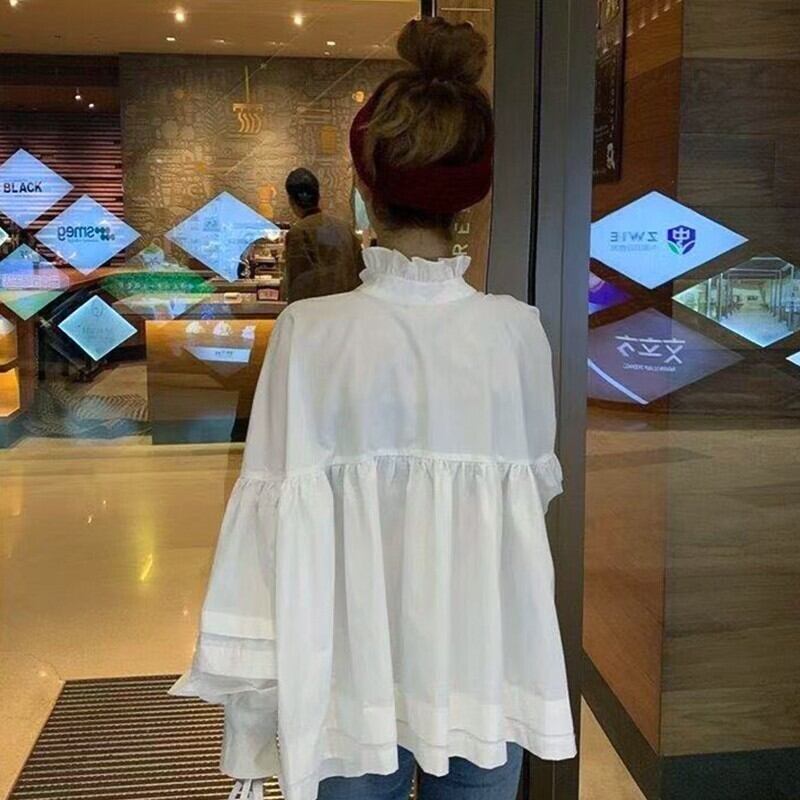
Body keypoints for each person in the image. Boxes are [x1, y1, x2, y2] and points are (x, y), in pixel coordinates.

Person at [172, 17, 576, 800]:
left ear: (364, 186)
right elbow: (530, 500)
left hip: (347, 678)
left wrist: (254, 711)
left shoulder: (310, 334)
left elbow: (267, 528)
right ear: (474, 195)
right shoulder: (517, 333)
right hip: (483, 670)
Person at [283, 167, 363, 302]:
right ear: (318, 197)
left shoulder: (298, 232)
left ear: (291, 201)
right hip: (348, 307)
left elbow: (297, 286)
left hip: (316, 310)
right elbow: (361, 273)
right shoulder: (345, 228)